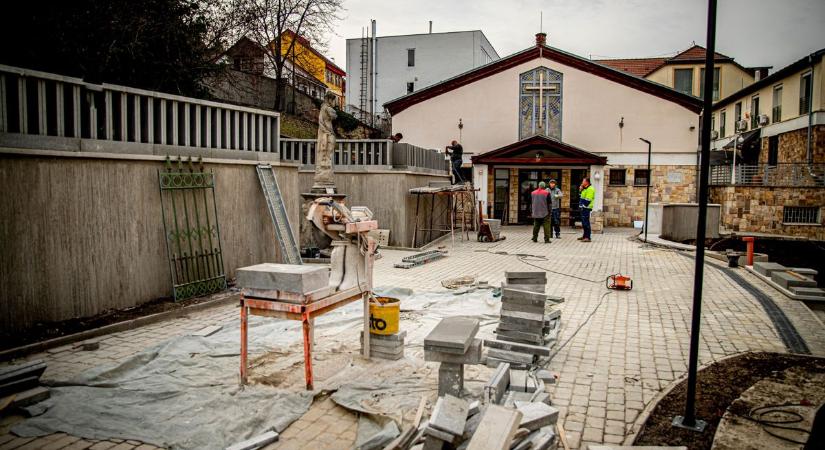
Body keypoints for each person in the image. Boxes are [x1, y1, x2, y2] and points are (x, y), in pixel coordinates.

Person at [578, 177, 595, 242]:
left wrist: (583, 206)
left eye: (583, 181)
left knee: (586, 223)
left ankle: (588, 237)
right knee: (583, 223)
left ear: (587, 182)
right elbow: (580, 197)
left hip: (586, 208)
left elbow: (588, 200)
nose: (582, 182)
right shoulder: (585, 189)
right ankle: (584, 236)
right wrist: (580, 190)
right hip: (583, 208)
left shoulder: (590, 189)